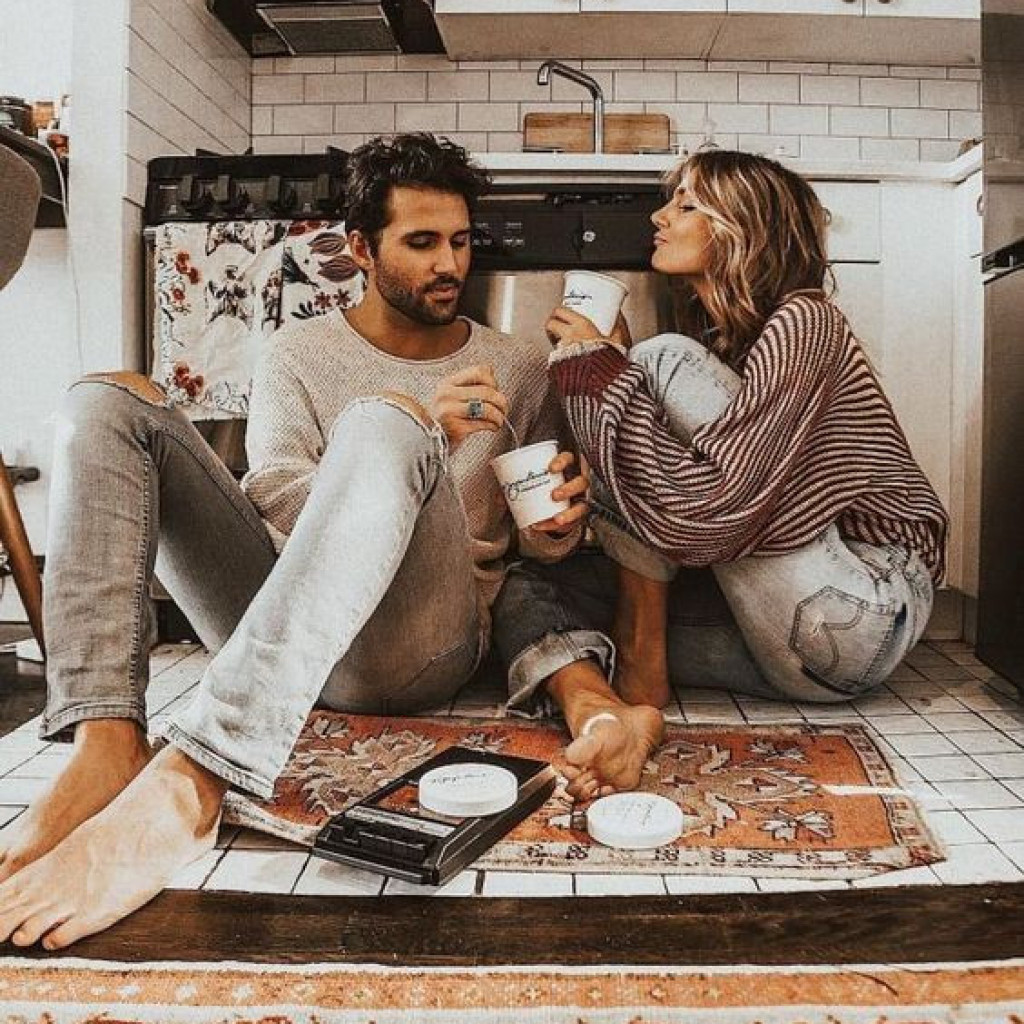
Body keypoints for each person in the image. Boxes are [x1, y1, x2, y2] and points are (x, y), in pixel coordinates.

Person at [0, 133, 589, 949]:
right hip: (288, 613)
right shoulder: (299, 352)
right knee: (103, 402)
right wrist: (418, 437)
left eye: (460, 241)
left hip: (419, 642)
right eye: (421, 242)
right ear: (361, 249)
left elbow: (542, 540)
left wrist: (558, 525)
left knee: (385, 423)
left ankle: (195, 781)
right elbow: (273, 498)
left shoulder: (515, 364)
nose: (449, 264)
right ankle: (107, 742)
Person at [492, 148, 948, 801]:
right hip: (795, 650)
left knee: (658, 362)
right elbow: (691, 496)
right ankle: (613, 708)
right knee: (525, 585)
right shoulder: (735, 346)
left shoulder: (807, 320)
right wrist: (613, 385)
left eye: (686, 205)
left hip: (868, 603)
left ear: (742, 229)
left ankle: (638, 658)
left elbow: (713, 514)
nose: (660, 217)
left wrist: (595, 362)